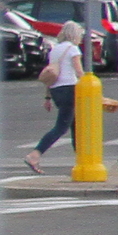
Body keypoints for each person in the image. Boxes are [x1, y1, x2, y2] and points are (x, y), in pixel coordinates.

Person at [22, 20, 85, 174]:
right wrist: (91, 86)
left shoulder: (55, 50)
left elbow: (51, 75)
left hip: (57, 91)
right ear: (75, 35)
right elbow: (79, 72)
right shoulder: (73, 49)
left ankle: (82, 161)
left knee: (75, 126)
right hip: (70, 90)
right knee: (61, 127)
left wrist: (47, 97)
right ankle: (34, 155)